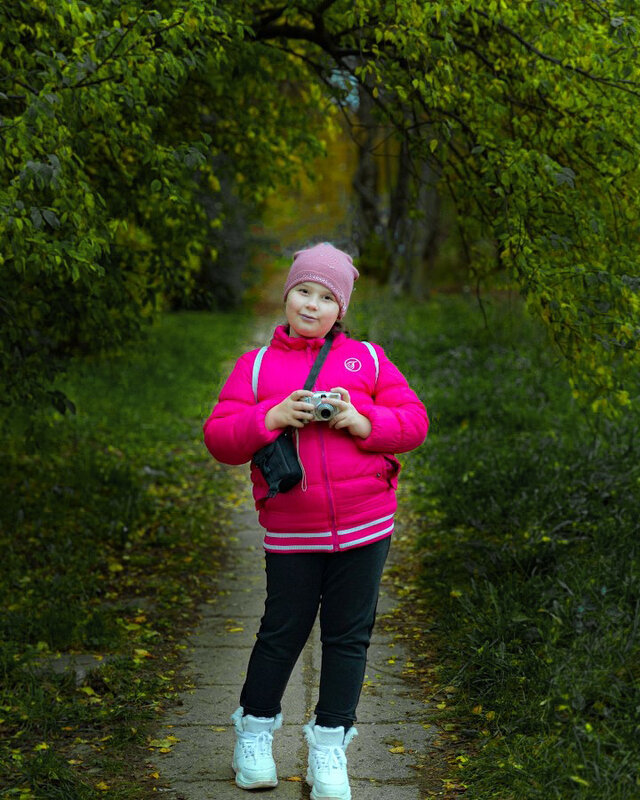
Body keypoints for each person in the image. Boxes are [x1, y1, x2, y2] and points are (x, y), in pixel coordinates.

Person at [203, 242, 428, 799]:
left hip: (366, 525)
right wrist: (271, 415)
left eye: (326, 297)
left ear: (341, 309)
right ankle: (254, 736)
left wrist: (360, 418)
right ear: (287, 296)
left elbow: (415, 422)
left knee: (348, 637)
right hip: (292, 531)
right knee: (281, 634)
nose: (312, 304)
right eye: (303, 291)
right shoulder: (254, 366)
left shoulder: (368, 360)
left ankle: (330, 747)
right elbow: (220, 438)